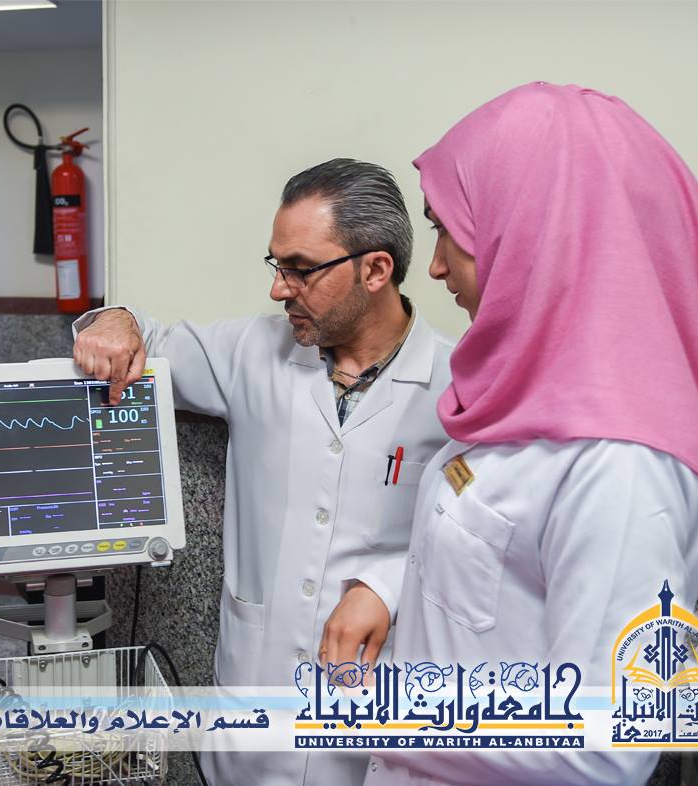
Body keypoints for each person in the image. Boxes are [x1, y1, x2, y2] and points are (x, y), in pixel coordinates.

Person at [361, 82, 698, 785]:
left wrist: (381, 711)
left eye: (449, 230)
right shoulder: (526, 399)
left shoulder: (622, 467)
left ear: (536, 230)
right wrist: (384, 590)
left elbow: (606, 744)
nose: (434, 265)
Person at [73, 159, 455, 786]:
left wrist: (386, 584)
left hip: (372, 712)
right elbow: (142, 338)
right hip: (251, 704)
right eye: (276, 265)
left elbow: (475, 548)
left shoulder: (456, 386)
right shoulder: (252, 352)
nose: (279, 289)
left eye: (300, 268)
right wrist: (113, 319)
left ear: (375, 270)